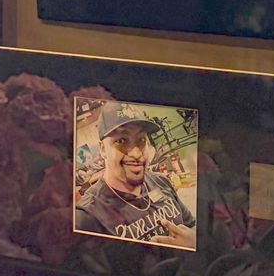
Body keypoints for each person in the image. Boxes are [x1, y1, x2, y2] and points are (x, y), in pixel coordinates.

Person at [73, 103, 195, 248]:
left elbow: (191, 225)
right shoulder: (87, 217)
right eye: (121, 141)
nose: (136, 154)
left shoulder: (161, 181)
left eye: (141, 140)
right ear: (102, 149)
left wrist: (194, 242)